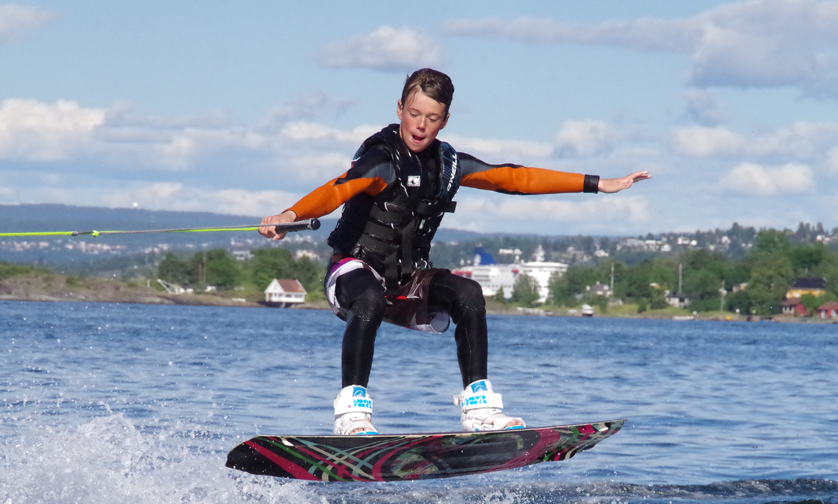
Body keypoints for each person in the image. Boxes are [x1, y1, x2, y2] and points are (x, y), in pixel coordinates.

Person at [260, 68, 650, 435]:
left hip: (405, 281)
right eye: (414, 114)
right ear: (399, 109)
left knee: (468, 294)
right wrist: (290, 214)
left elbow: (517, 178)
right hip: (352, 271)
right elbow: (335, 190)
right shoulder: (380, 161)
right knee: (368, 299)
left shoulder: (449, 165)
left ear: (445, 120)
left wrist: (598, 183)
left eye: (432, 118)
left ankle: (479, 410)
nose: (420, 125)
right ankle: (352, 415)